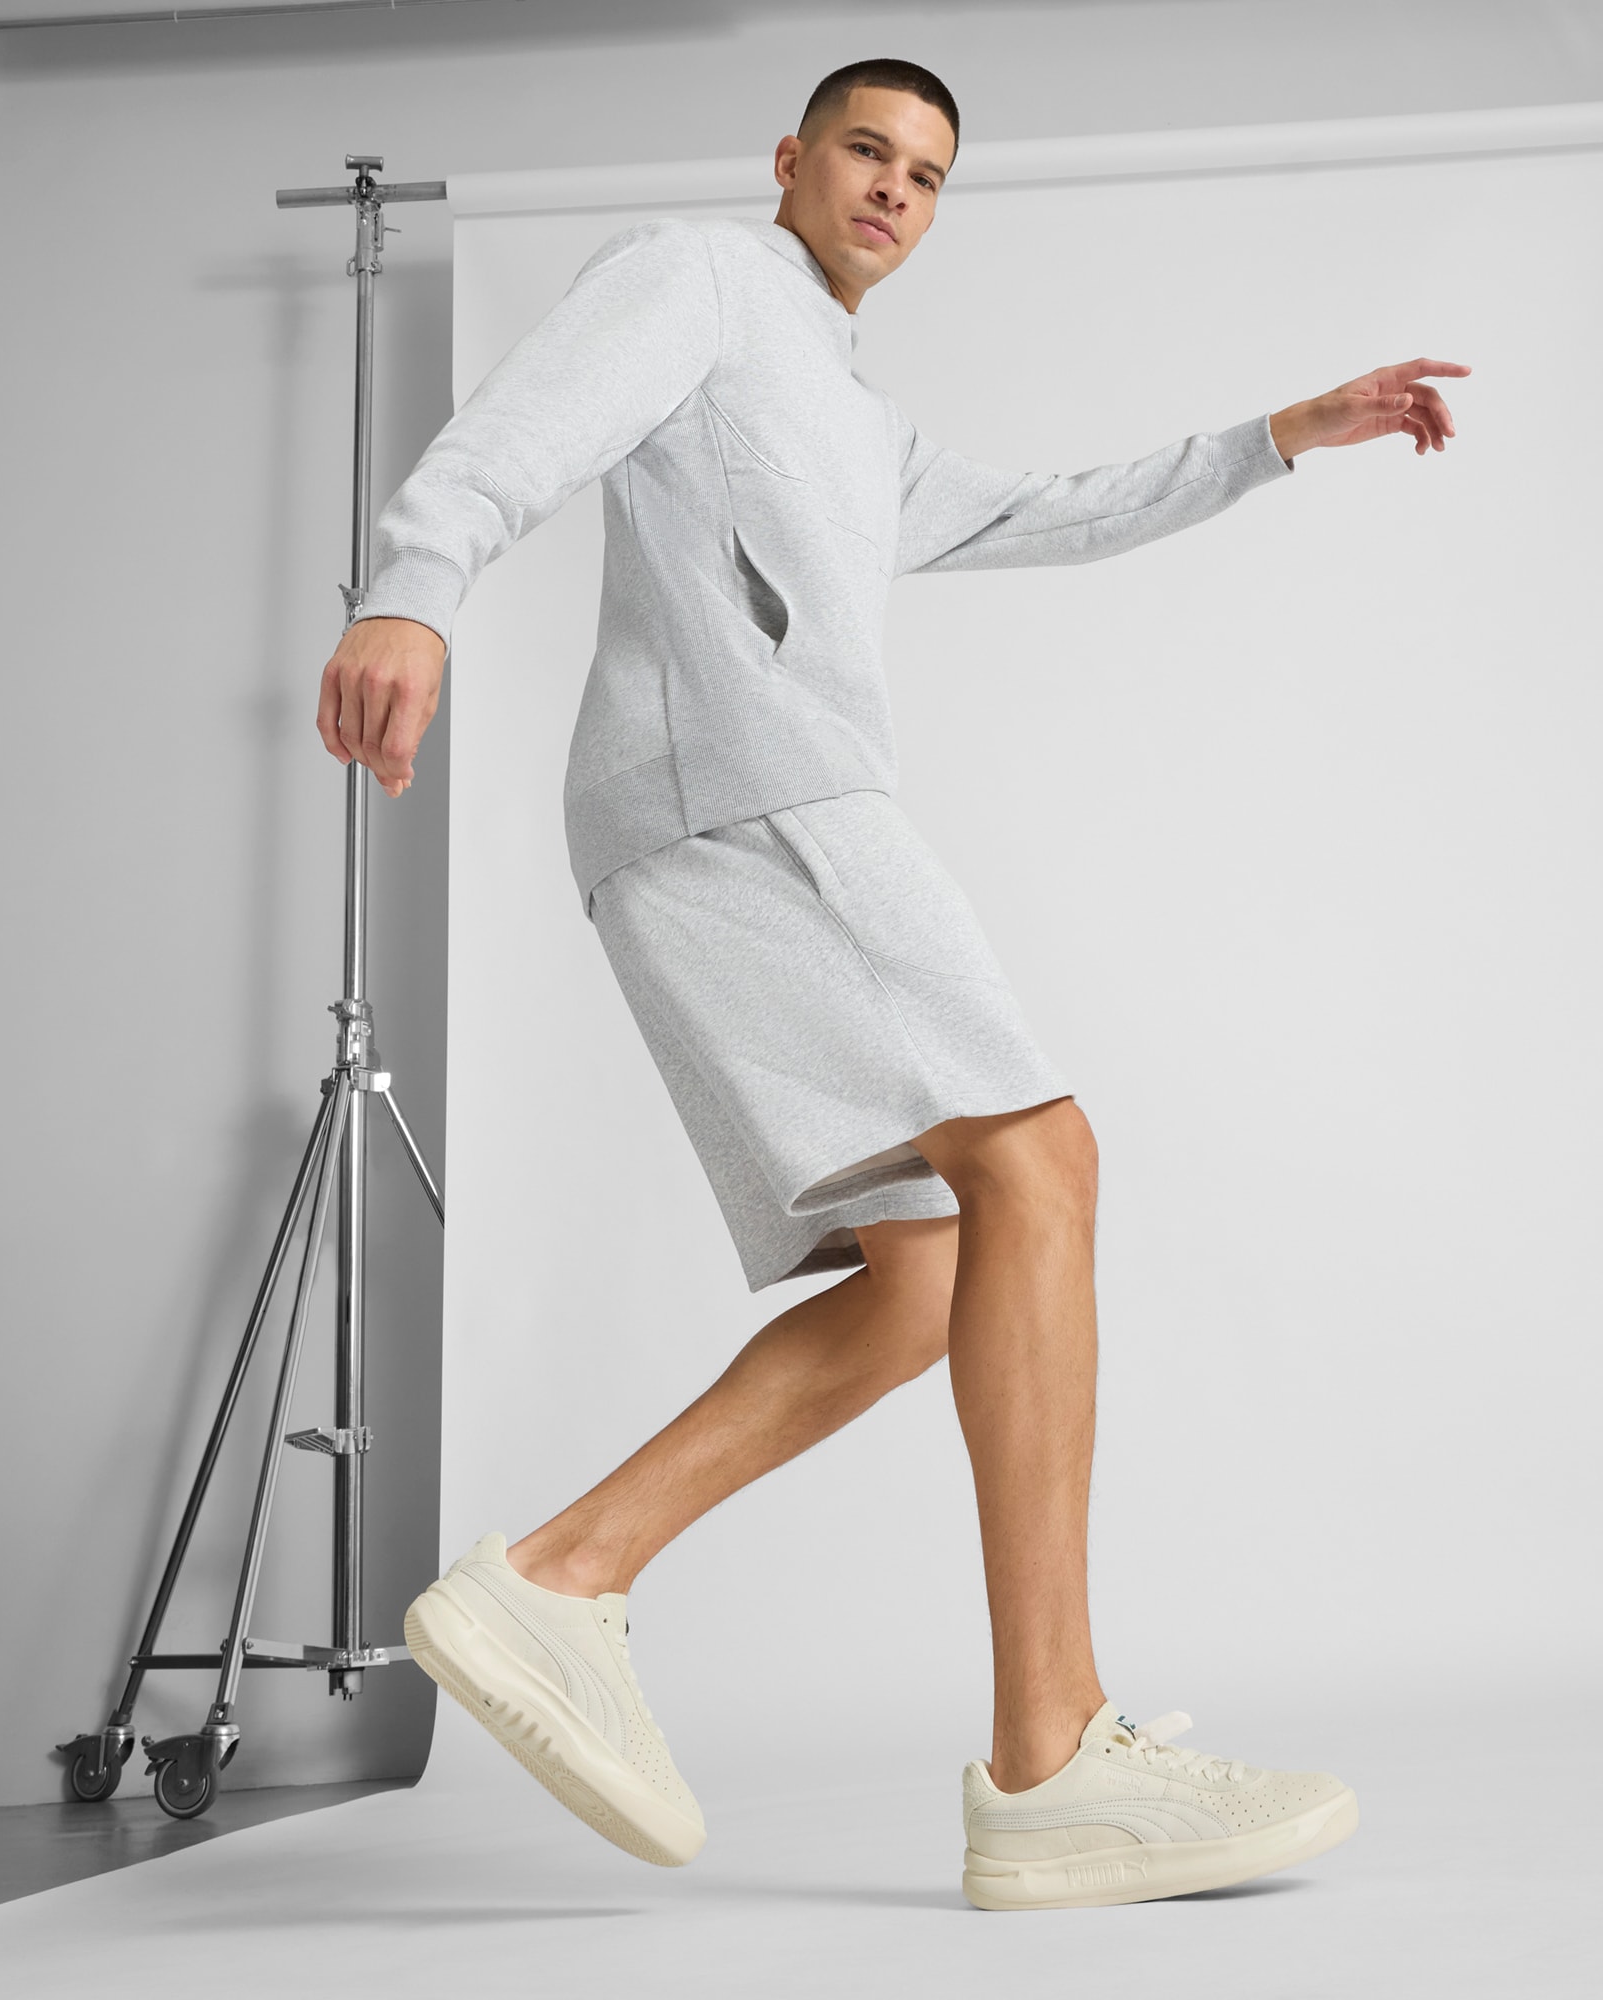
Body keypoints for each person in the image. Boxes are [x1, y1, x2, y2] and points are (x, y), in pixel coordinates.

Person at [318, 56, 1467, 1911]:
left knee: (928, 1275)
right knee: (1045, 1163)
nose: (893, 192)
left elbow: (1050, 510)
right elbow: (534, 418)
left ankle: (564, 1575)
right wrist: (414, 584)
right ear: (792, 158)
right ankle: (1052, 1756)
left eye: (927, 177)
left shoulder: (854, 416)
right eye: (867, 151)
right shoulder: (698, 278)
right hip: (746, 797)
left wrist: (1278, 435)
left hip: (737, 811)